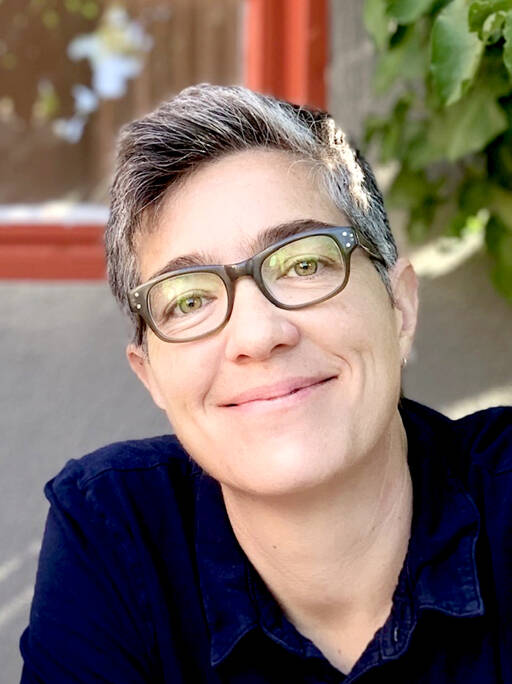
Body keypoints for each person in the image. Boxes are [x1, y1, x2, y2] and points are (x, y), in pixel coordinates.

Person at [20, 84, 512, 683]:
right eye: (189, 299)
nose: (257, 335)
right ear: (150, 375)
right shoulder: (116, 533)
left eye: (303, 263)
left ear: (401, 309)